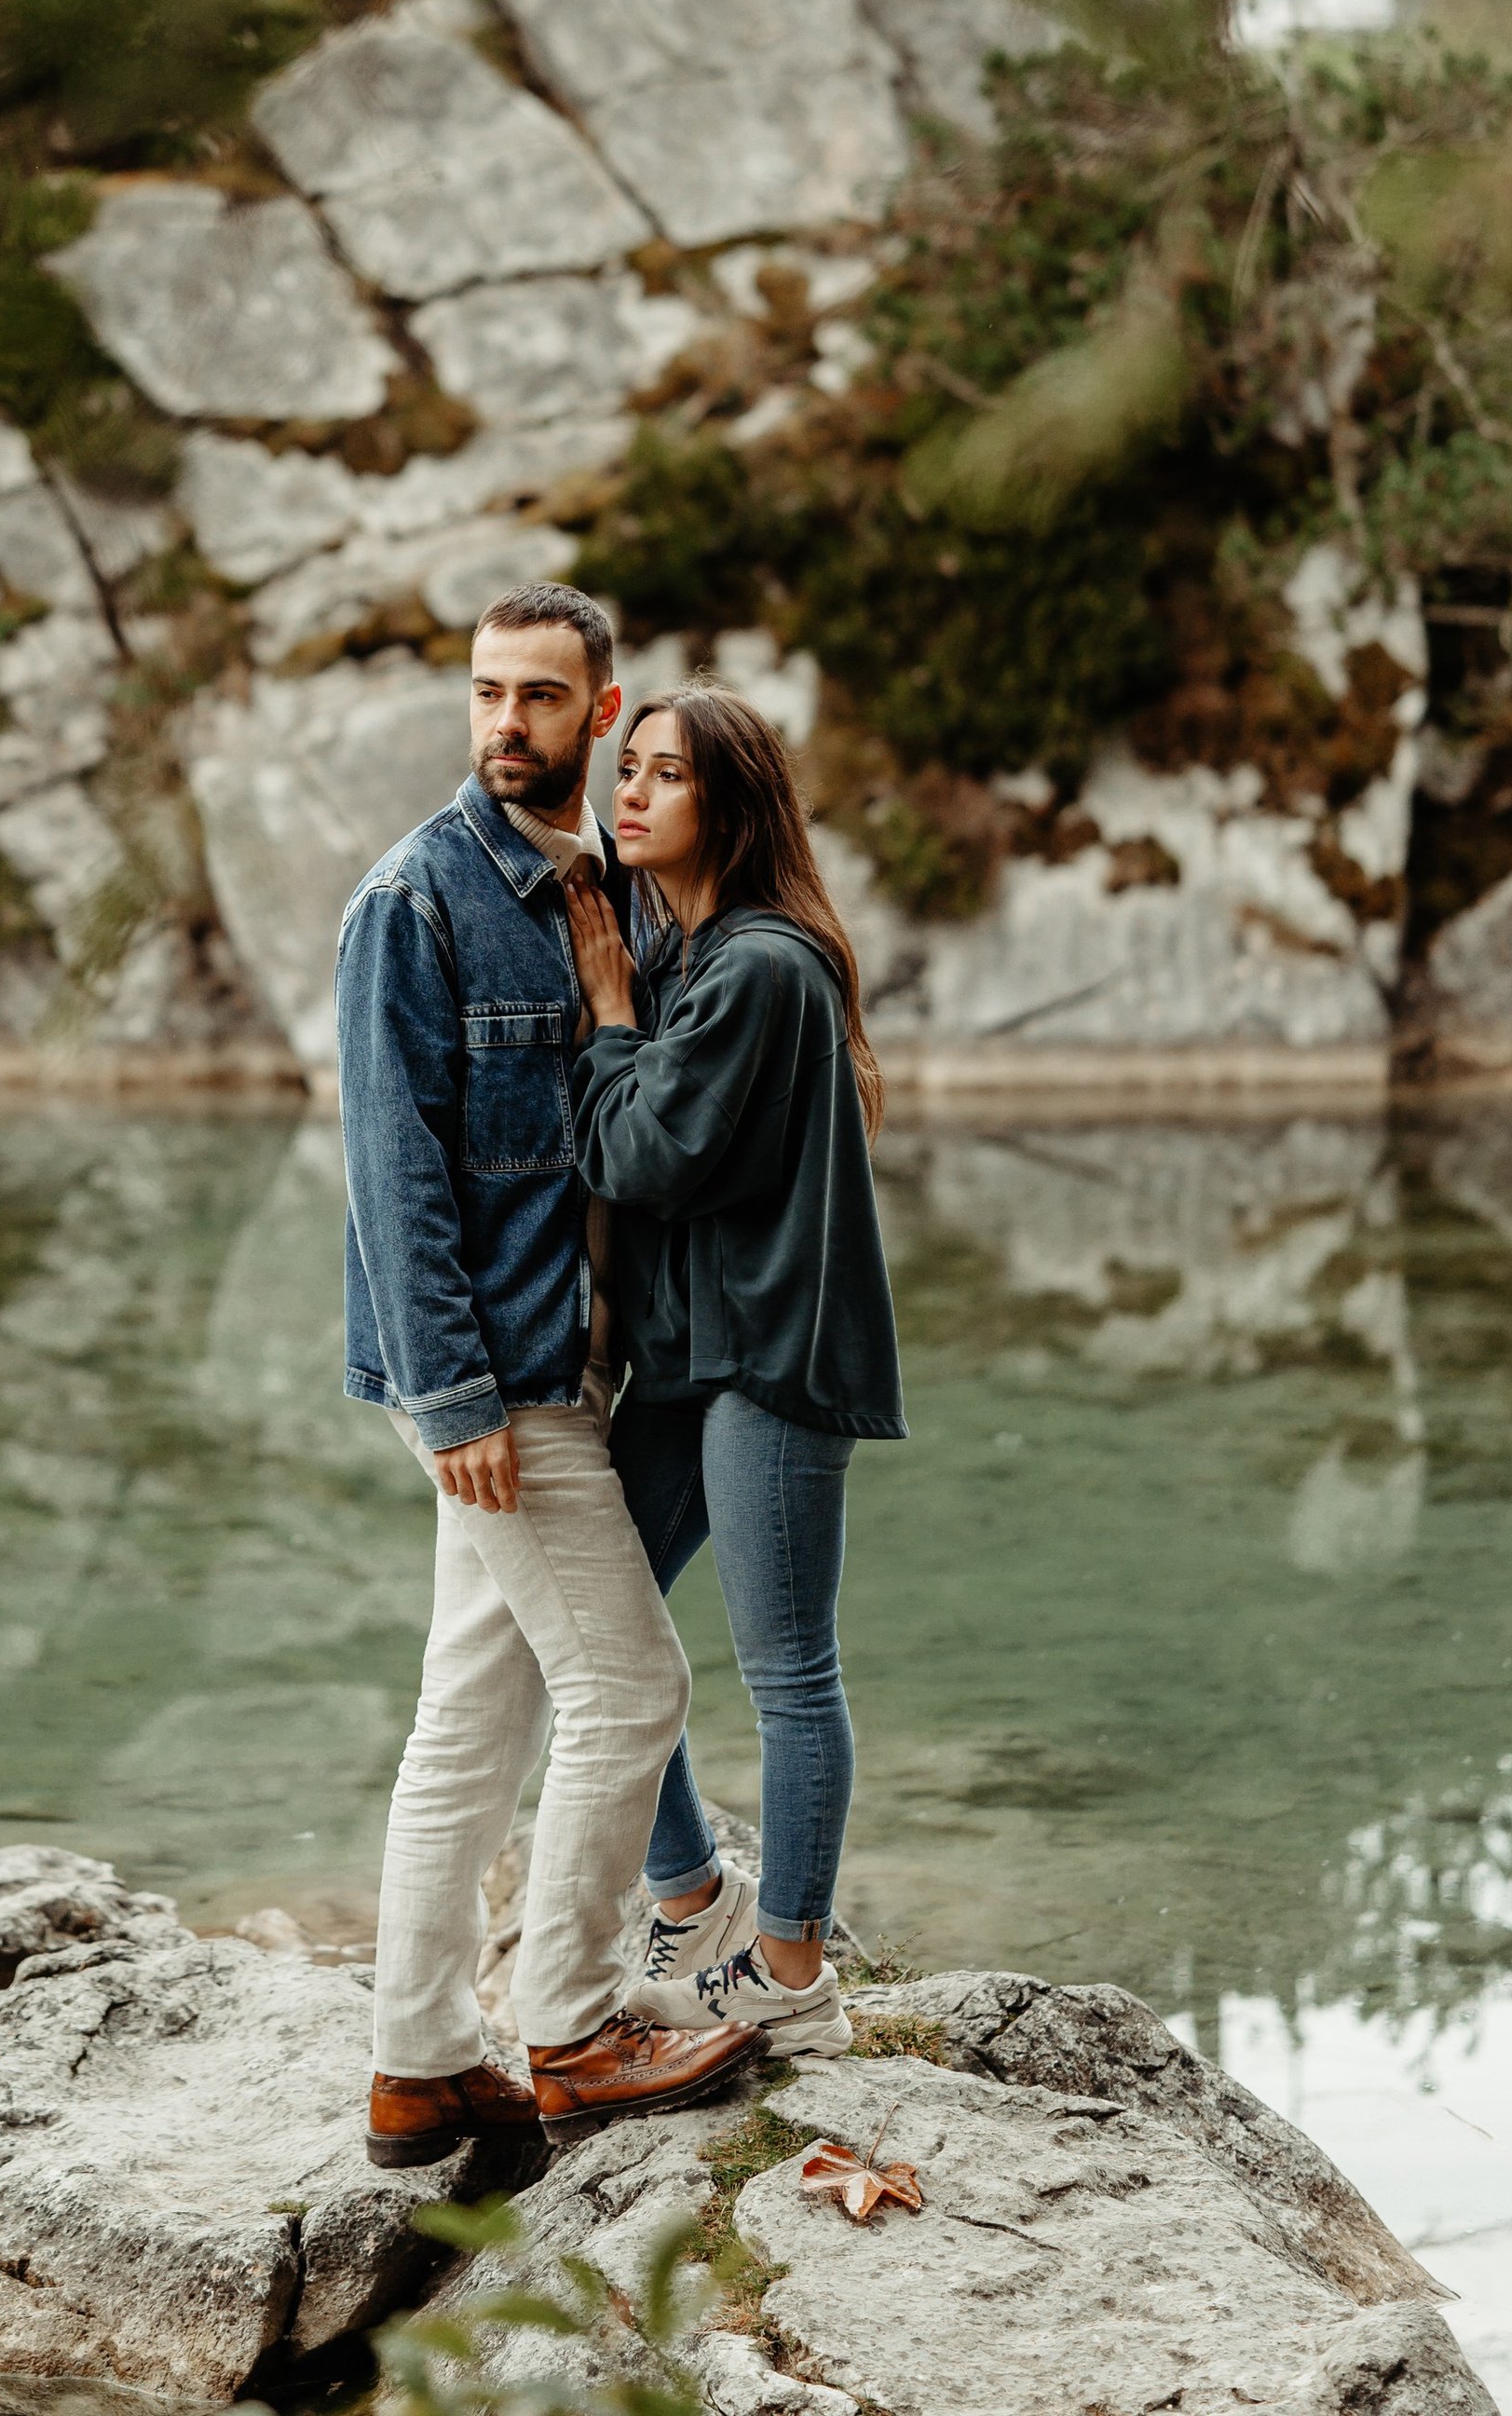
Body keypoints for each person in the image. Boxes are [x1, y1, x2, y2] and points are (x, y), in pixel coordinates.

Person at [339, 584, 766, 2163]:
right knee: (631, 1689)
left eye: (537, 696)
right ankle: (574, 2033)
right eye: (485, 692)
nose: (505, 723)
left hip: (578, 1368)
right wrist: (452, 1403)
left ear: (601, 711)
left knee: (472, 1712)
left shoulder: (611, 889)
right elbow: (393, 1177)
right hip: (498, 1385)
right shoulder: (417, 900)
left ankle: (420, 2067)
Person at [564, 681, 905, 2062]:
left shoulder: (762, 966)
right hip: (691, 1362)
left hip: (768, 1360)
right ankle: (693, 1898)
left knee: (789, 1669)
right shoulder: (695, 954)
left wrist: (605, 1016)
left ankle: (790, 1972)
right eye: (627, 768)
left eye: (669, 775)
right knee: (597, 1628)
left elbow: (641, 1154)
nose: (632, 793)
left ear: (735, 803)